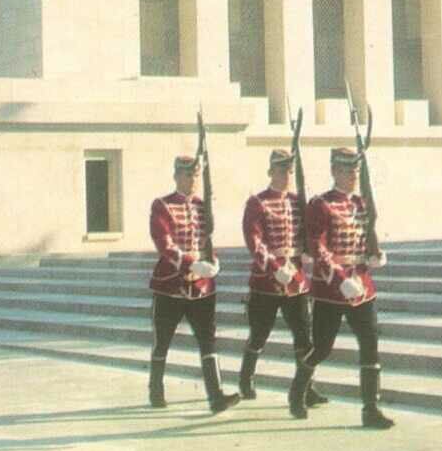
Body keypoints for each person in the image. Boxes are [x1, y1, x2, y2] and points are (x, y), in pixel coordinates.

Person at [288, 147, 395, 429]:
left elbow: (365, 237)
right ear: (334, 171)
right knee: (322, 348)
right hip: (331, 290)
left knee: (370, 344)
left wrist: (375, 255)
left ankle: (370, 408)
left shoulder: (361, 203)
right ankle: (298, 390)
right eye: (347, 170)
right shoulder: (320, 204)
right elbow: (318, 246)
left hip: (361, 285)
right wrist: (338, 278)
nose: (352, 175)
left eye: (355, 171)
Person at [147, 155, 241, 414]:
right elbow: (164, 243)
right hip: (171, 285)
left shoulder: (203, 206)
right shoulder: (162, 205)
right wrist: (191, 263)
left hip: (201, 287)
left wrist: (213, 262)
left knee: (208, 340)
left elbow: (206, 241)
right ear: (176, 176)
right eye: (188, 175)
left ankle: (215, 396)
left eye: (196, 175)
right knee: (162, 340)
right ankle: (155, 389)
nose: (192, 180)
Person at [237, 148, 328, 408]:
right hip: (267, 280)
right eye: (280, 170)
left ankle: (306, 388)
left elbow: (310, 235)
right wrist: (274, 266)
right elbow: (254, 240)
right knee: (259, 334)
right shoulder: (258, 202)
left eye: (289, 170)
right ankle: (246, 378)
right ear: (270, 172)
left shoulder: (300, 202)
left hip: (296, 280)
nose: (286, 175)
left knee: (304, 337)